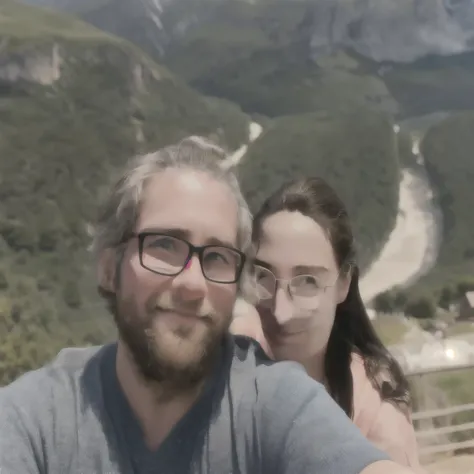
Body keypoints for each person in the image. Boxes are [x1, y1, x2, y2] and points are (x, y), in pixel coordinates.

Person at [0, 138, 415, 474]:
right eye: (163, 244)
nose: (192, 283)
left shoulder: (272, 403)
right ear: (109, 268)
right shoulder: (39, 419)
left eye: (217, 256)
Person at [231, 177, 423, 471]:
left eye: (307, 281)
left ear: (343, 284)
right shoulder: (238, 359)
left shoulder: (377, 421)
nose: (281, 312)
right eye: (264, 276)